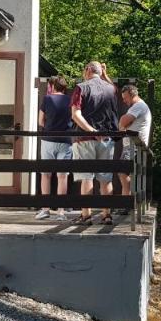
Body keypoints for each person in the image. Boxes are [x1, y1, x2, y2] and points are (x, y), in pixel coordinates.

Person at [69, 61, 121, 225]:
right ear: (100, 71)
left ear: (88, 70)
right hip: (107, 139)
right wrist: (105, 74)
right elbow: (113, 88)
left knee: (86, 177)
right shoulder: (111, 89)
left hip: (85, 139)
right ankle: (107, 215)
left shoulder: (81, 87)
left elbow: (76, 115)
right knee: (106, 179)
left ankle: (86, 215)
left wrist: (91, 131)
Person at [35, 75, 74, 221]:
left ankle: (45, 209)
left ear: (52, 86)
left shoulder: (47, 99)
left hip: (48, 140)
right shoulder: (70, 100)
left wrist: (50, 126)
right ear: (64, 87)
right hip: (65, 140)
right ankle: (61, 211)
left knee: (46, 174)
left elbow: (40, 121)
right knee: (62, 176)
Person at [118, 84, 152, 200]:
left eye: (125, 98)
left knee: (123, 172)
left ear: (132, 95)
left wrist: (124, 123)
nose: (123, 101)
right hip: (132, 145)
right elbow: (123, 125)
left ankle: (126, 203)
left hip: (133, 146)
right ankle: (127, 202)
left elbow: (122, 122)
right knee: (126, 173)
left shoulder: (138, 106)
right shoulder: (139, 106)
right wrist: (125, 124)